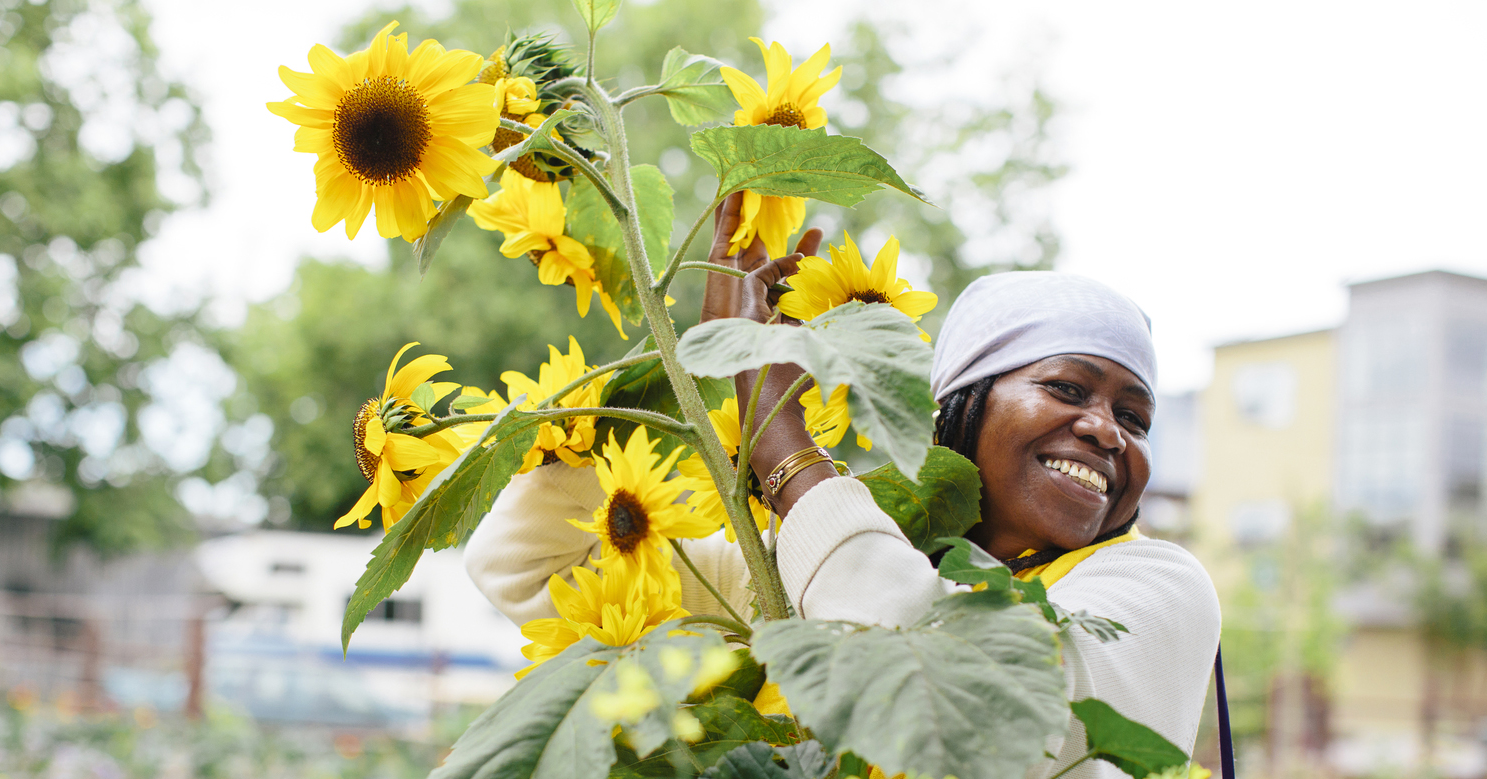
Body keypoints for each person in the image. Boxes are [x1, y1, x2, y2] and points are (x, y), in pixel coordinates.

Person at [464, 193, 1221, 777]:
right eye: (1067, 387)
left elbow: (975, 709)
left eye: (1135, 415)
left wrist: (780, 433)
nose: (1106, 430)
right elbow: (527, 567)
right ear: (958, 407)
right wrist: (697, 374)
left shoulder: (1156, 588)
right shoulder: (840, 563)